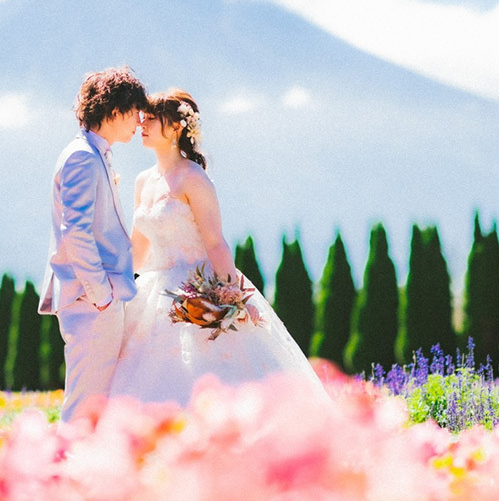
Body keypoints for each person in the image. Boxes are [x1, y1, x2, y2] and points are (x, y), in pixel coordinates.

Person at [109, 88, 334, 407]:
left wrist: (231, 295)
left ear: (176, 127)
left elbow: (215, 242)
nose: (141, 124)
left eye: (151, 119)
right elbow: (138, 248)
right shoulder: (143, 181)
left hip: (197, 288)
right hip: (153, 296)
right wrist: (114, 286)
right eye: (141, 118)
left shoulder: (193, 178)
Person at [39, 67, 149, 422]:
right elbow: (76, 232)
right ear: (114, 111)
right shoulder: (82, 156)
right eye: (135, 111)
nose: (140, 119)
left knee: (97, 402)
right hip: (90, 301)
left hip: (97, 298)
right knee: (86, 402)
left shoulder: (94, 152)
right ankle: (65, 473)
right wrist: (101, 294)